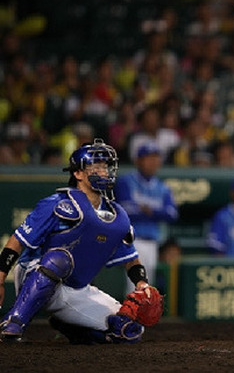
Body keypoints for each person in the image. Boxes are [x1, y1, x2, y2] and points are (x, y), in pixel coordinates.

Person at [0, 138, 154, 343]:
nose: (103, 171)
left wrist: (142, 284)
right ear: (78, 173)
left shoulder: (117, 215)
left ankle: (71, 327)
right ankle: (14, 322)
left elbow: (131, 259)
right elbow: (17, 241)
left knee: (129, 331)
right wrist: (0, 278)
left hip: (76, 288)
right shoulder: (58, 204)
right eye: (95, 166)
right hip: (35, 273)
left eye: (105, 166)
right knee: (59, 258)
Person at [114, 141, 179, 292]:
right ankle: (130, 315)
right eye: (148, 158)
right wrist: (154, 212)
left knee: (147, 288)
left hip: (153, 242)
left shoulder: (162, 187)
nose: (153, 162)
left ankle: (139, 315)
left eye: (155, 158)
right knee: (135, 286)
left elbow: (172, 214)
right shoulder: (126, 181)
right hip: (132, 241)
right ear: (138, 160)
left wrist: (150, 211)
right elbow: (126, 210)